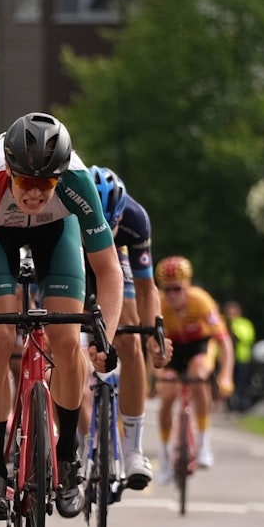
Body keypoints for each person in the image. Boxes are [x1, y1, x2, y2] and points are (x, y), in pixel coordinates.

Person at [0, 112, 123, 521]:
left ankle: (67, 459)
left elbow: (109, 271)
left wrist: (106, 342)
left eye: (45, 184)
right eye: (26, 182)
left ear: (59, 177)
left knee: (66, 341)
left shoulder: (77, 183)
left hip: (56, 237)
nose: (34, 193)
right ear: (10, 170)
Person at [77, 166, 169, 489]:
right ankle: (76, 437)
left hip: (115, 261)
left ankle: (132, 448)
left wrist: (155, 333)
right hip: (75, 257)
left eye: (111, 224)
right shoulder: (68, 211)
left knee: (130, 340)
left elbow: (147, 289)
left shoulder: (135, 218)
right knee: (67, 344)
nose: (107, 228)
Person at [154, 255, 233, 475]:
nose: (171, 295)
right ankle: (165, 456)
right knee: (167, 394)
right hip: (172, 349)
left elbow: (224, 342)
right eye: (167, 290)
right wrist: (154, 375)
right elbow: (149, 344)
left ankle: (203, 444)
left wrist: (226, 375)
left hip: (199, 347)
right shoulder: (158, 304)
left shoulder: (200, 300)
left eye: (177, 289)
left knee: (199, 374)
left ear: (187, 285)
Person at [222, 300, 255, 412]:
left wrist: (234, 332)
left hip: (242, 358)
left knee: (241, 383)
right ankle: (229, 405)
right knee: (228, 382)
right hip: (227, 359)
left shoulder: (244, 323)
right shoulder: (223, 323)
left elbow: (247, 337)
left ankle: (241, 404)